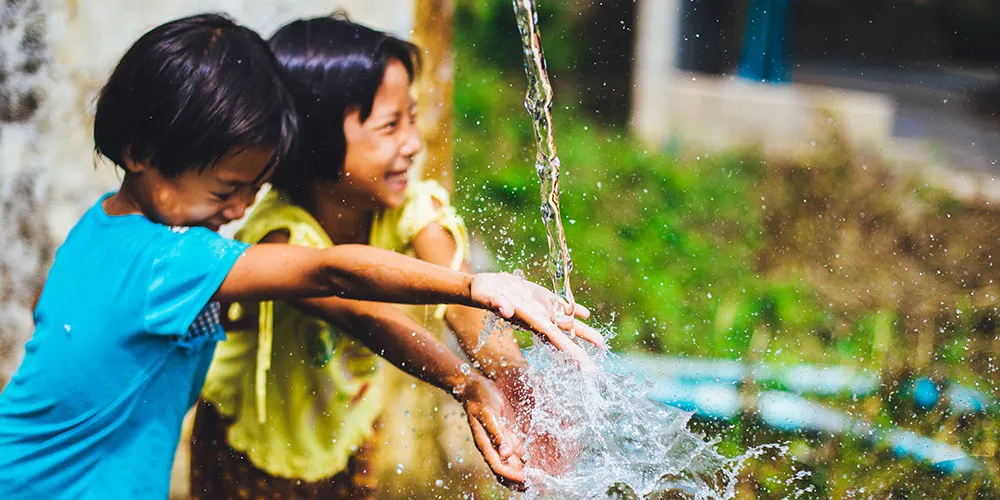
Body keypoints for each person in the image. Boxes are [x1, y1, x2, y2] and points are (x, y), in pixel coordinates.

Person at [0, 14, 598, 500]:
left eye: (249, 189)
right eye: (223, 190)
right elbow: (332, 274)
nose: (236, 211)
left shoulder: (108, 224)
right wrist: (472, 291)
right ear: (139, 151)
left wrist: (496, 379)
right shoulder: (168, 259)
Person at [189, 14, 604, 499]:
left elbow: (463, 304)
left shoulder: (411, 209)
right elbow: (368, 315)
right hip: (250, 444)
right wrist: (464, 383)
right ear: (316, 138)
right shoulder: (280, 237)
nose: (412, 142)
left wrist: (517, 387)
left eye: (412, 116)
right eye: (390, 126)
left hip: (352, 430)